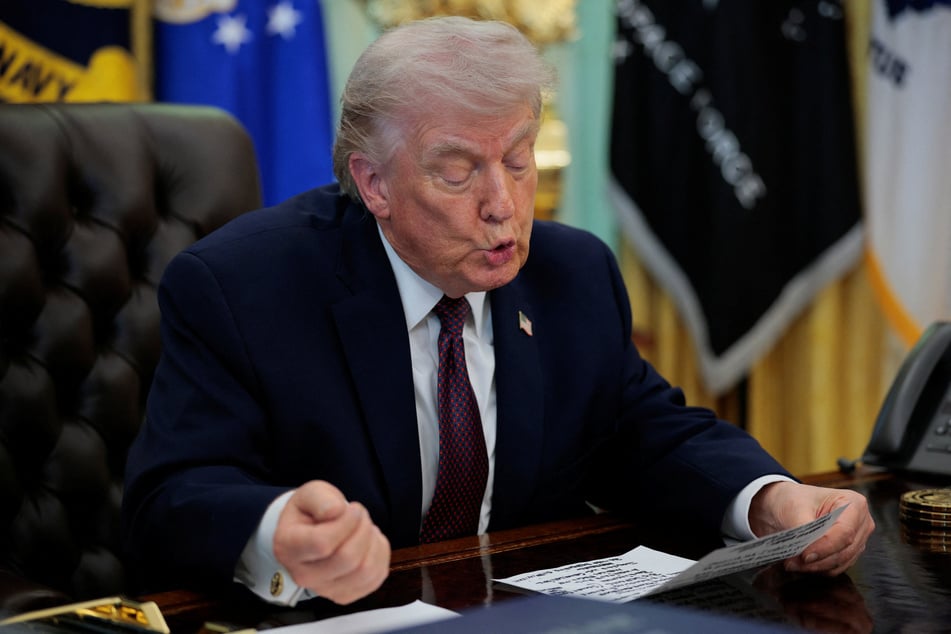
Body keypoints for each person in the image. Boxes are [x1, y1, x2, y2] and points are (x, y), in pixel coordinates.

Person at [121, 16, 874, 607]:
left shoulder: (569, 272)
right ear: (373, 183)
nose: (503, 206)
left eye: (518, 159)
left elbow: (644, 434)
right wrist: (273, 528)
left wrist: (769, 500)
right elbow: (172, 495)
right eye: (456, 171)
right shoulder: (242, 287)